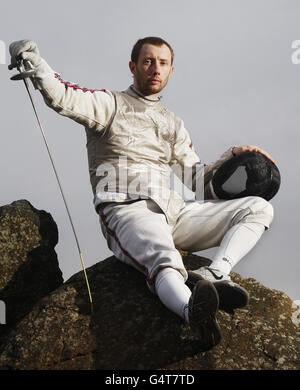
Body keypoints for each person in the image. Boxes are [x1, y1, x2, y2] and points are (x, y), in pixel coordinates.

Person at [9, 37, 274, 350]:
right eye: (148, 61)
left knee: (258, 209)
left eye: (162, 63)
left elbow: (199, 182)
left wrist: (234, 158)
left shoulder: (173, 124)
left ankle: (214, 273)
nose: (155, 69)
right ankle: (194, 313)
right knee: (165, 260)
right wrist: (34, 61)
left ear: (171, 70)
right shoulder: (109, 104)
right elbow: (62, 95)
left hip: (175, 212)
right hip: (126, 208)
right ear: (133, 66)